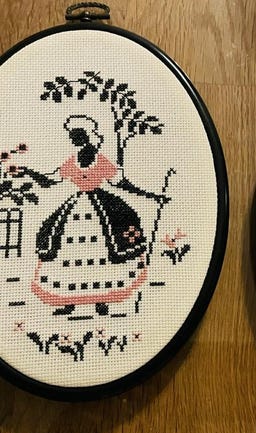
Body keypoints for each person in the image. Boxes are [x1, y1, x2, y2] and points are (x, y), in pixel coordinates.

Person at [28, 115, 167, 316]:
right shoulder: (72, 162)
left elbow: (122, 184)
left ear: (85, 137)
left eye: (75, 135)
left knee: (107, 248)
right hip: (77, 209)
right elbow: (50, 180)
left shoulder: (100, 161)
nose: (73, 139)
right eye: (72, 136)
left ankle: (102, 300)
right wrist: (30, 173)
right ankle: (69, 299)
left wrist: (150, 196)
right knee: (67, 251)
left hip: (102, 206)